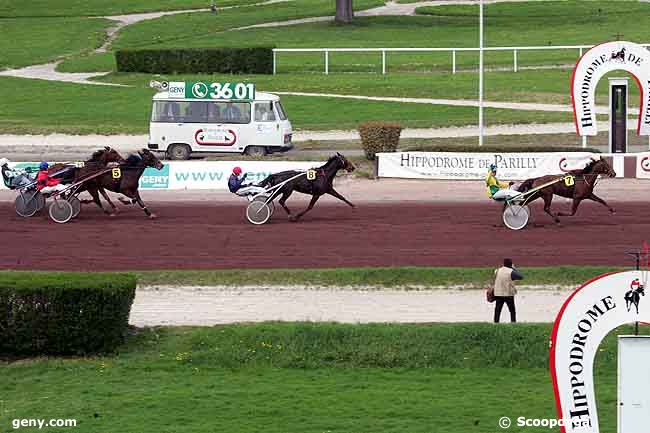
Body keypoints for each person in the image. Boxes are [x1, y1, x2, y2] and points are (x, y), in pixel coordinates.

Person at [493, 258, 523, 323]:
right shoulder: (511, 272)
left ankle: (496, 323)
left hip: (498, 294)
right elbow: (521, 277)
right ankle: (513, 323)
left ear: (503, 264)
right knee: (512, 311)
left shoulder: (497, 270)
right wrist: (514, 268)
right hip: (508, 294)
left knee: (497, 310)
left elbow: (496, 273)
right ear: (510, 264)